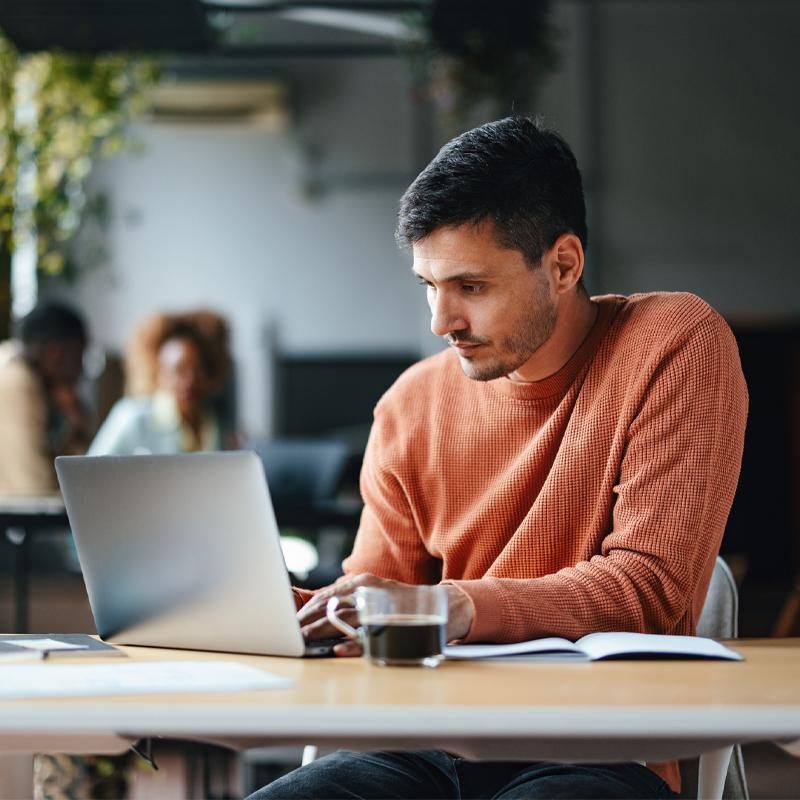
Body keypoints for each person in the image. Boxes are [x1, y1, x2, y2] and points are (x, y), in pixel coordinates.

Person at [249, 116, 748, 800]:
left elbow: (648, 589)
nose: (439, 321)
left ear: (563, 265)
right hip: (415, 752)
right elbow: (372, 609)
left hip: (592, 753)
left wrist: (451, 606)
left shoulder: (672, 345)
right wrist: (287, 611)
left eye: (470, 287)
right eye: (428, 284)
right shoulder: (411, 404)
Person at [88, 309, 234, 456]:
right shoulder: (132, 417)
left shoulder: (215, 421)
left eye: (198, 370)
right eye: (178, 371)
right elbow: (89, 472)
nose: (190, 381)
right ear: (158, 373)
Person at [0, 302, 89, 495]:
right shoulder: (18, 384)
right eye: (80, 356)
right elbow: (35, 491)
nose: (81, 370)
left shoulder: (11, 366)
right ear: (55, 354)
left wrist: (74, 429)